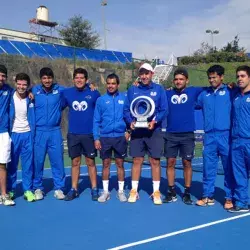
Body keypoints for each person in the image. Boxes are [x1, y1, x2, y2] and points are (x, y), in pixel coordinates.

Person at [124, 63, 168, 205]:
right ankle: (134, 190)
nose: (144, 76)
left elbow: (164, 110)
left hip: (154, 131)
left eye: (147, 73)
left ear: (152, 74)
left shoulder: (159, 89)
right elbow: (126, 110)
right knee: (137, 160)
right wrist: (130, 122)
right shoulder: (132, 90)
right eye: (142, 73)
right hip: (137, 131)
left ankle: (156, 192)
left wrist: (154, 121)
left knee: (155, 161)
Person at [195, 65, 234, 209]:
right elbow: (189, 101)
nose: (212, 80)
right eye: (210, 78)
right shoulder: (204, 94)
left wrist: (234, 85)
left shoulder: (231, 91)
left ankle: (229, 197)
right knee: (208, 168)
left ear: (221, 77)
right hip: (209, 136)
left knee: (228, 168)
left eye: (214, 77)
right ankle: (207, 195)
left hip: (226, 135)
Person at [164, 68, 204, 205]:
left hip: (187, 135)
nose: (178, 81)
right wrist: (137, 86)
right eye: (176, 79)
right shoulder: (167, 93)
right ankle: (171, 191)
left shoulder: (194, 91)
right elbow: (153, 95)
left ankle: (187, 192)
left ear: (187, 80)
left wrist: (230, 86)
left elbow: (211, 87)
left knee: (187, 163)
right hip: (171, 134)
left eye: (181, 79)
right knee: (170, 163)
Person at [62, 68, 100, 201]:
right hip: (73, 134)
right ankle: (74, 189)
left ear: (86, 80)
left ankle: (94, 189)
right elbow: (53, 90)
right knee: (75, 162)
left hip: (89, 134)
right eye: (76, 78)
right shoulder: (67, 93)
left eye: (82, 78)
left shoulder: (94, 93)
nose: (79, 80)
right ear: (73, 79)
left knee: (91, 162)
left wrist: (98, 134)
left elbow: (100, 112)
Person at [93, 73, 129, 202]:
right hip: (105, 137)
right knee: (106, 164)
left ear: (118, 85)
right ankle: (106, 192)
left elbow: (130, 116)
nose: (111, 86)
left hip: (120, 137)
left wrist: (128, 130)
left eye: (113, 83)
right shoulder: (101, 100)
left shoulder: (125, 98)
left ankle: (120, 191)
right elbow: (96, 120)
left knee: (120, 164)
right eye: (108, 83)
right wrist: (96, 138)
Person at [32, 67, 65, 200]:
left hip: (55, 131)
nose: (47, 80)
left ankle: (59, 188)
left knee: (57, 161)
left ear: (52, 78)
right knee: (38, 161)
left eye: (49, 78)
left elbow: (75, 90)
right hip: (39, 132)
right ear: (41, 79)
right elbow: (20, 92)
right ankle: (38, 188)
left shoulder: (60, 90)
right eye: (44, 78)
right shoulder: (34, 90)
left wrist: (89, 84)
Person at [7, 73, 36, 202]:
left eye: (24, 85)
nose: (21, 87)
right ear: (15, 84)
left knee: (28, 165)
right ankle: (11, 189)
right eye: (19, 84)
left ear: (28, 86)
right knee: (12, 165)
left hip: (28, 134)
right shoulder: (9, 95)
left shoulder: (31, 98)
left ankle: (27, 190)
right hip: (13, 135)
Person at [228, 65, 250, 213]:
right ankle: (242, 203)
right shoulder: (235, 94)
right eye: (238, 76)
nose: (239, 79)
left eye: (243, 76)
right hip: (236, 141)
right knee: (240, 173)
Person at [0, 65, 15, 206]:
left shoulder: (8, 90)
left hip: (3, 132)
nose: (1, 78)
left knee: (2, 164)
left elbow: (22, 89)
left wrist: (29, 92)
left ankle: (3, 195)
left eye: (3, 75)